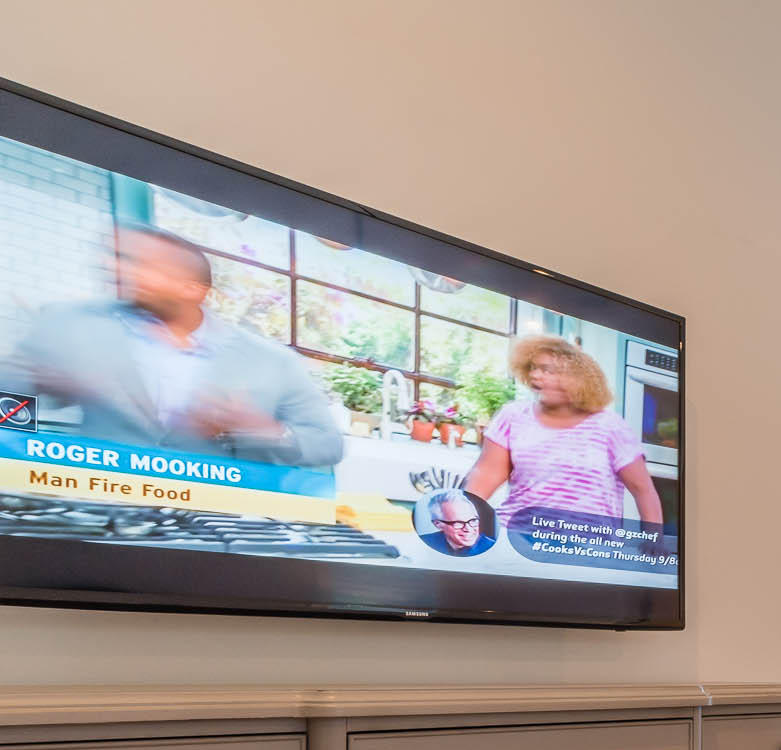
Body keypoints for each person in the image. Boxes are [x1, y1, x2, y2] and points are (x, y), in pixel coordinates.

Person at [0, 225, 343, 469]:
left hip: (215, 527)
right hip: (94, 516)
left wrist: (259, 429)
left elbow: (328, 445)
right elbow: (6, 401)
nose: (114, 268)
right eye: (116, 258)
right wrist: (30, 405)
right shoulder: (69, 323)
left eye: (137, 262)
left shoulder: (273, 361)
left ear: (192, 289)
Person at [464, 336, 663, 532]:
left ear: (577, 378)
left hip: (588, 545)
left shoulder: (611, 426)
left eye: (547, 370)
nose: (535, 375)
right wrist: (461, 518)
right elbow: (486, 475)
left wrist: (654, 540)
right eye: (533, 368)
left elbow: (643, 490)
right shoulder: (513, 416)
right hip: (518, 540)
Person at [417, 489, 494, 557]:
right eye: (458, 523)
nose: (468, 529)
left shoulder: (490, 548)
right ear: (438, 524)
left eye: (473, 520)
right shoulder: (423, 543)